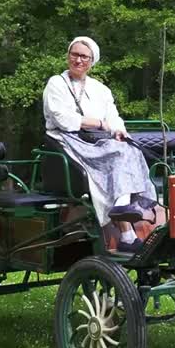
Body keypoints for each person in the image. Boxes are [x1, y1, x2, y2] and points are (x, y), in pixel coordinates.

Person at [43, 36, 157, 253]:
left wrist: (118, 129)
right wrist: (101, 124)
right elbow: (63, 119)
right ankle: (126, 226)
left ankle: (125, 218)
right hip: (66, 140)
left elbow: (113, 116)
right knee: (116, 153)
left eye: (84, 56)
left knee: (129, 148)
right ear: (68, 56)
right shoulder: (56, 83)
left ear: (92, 61)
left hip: (97, 139)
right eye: (74, 54)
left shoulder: (100, 89)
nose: (78, 60)